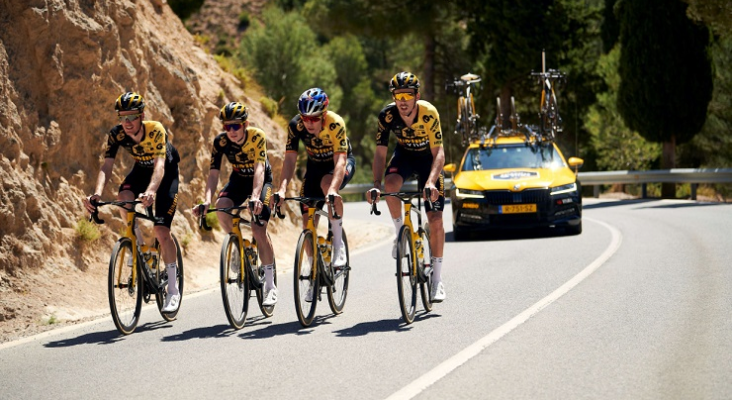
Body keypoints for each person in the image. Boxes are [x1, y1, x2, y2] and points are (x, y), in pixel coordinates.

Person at [82, 91, 182, 312]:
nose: (126, 122)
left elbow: (159, 167)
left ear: (142, 115)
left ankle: (173, 290)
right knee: (123, 198)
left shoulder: (156, 129)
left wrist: (151, 191)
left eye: (131, 117)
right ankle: (136, 246)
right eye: (122, 117)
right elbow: (107, 166)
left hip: (165, 174)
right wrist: (96, 193)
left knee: (161, 231)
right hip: (140, 170)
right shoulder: (117, 134)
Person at [366, 72, 447, 302]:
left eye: (407, 95)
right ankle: (400, 233)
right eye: (398, 95)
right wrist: (376, 185)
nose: (402, 100)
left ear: (416, 96)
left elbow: (439, 152)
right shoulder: (387, 116)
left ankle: (438, 280)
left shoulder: (429, 113)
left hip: (428, 161)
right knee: (391, 186)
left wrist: (431, 181)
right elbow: (380, 153)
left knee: (436, 220)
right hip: (405, 156)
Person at [192, 102, 278, 306]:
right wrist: (206, 200)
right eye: (226, 126)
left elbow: (259, 168)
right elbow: (213, 174)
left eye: (235, 126)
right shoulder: (220, 142)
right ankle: (237, 246)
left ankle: (270, 286)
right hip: (239, 180)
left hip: (261, 181)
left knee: (258, 230)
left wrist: (256, 196)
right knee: (222, 208)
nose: (231, 131)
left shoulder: (257, 136)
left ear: (245, 124)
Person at [274, 88, 356, 300]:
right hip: (314, 167)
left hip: (340, 164)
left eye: (314, 118)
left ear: (324, 114)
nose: (309, 123)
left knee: (327, 184)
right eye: (305, 118)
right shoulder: (296, 125)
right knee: (306, 221)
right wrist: (282, 188)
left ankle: (338, 248)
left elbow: (340, 160)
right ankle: (313, 273)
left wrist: (332, 190)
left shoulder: (335, 123)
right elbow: (290, 160)